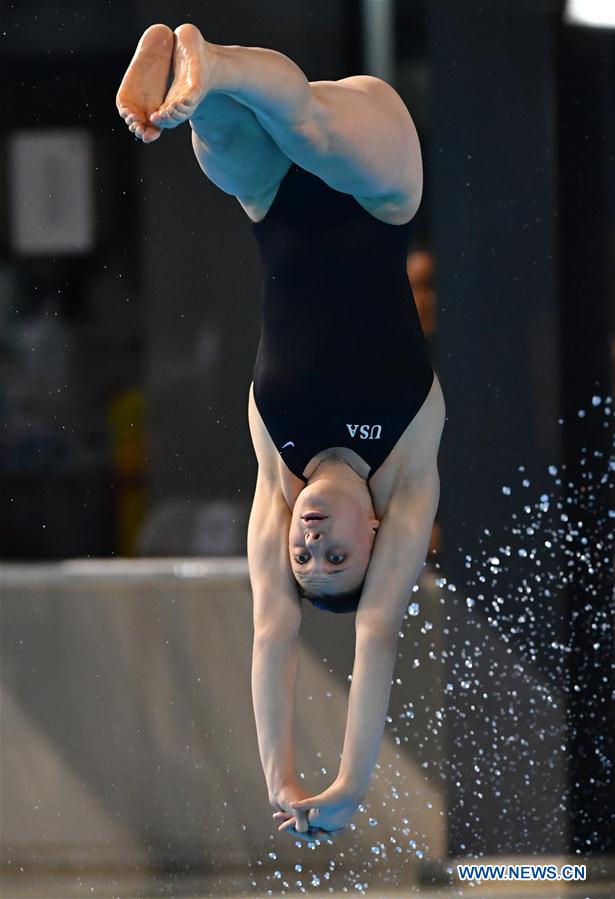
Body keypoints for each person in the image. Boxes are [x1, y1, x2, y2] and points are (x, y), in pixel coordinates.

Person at [116, 23, 446, 843]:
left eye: (304, 559)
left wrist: (281, 780)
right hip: (381, 186)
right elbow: (375, 631)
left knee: (221, 149)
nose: (310, 545)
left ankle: (188, 79)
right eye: (336, 557)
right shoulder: (405, 470)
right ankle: (216, 64)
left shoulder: (277, 473)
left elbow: (271, 631)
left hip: (278, 209)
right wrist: (348, 783)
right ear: (377, 534)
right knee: (308, 129)